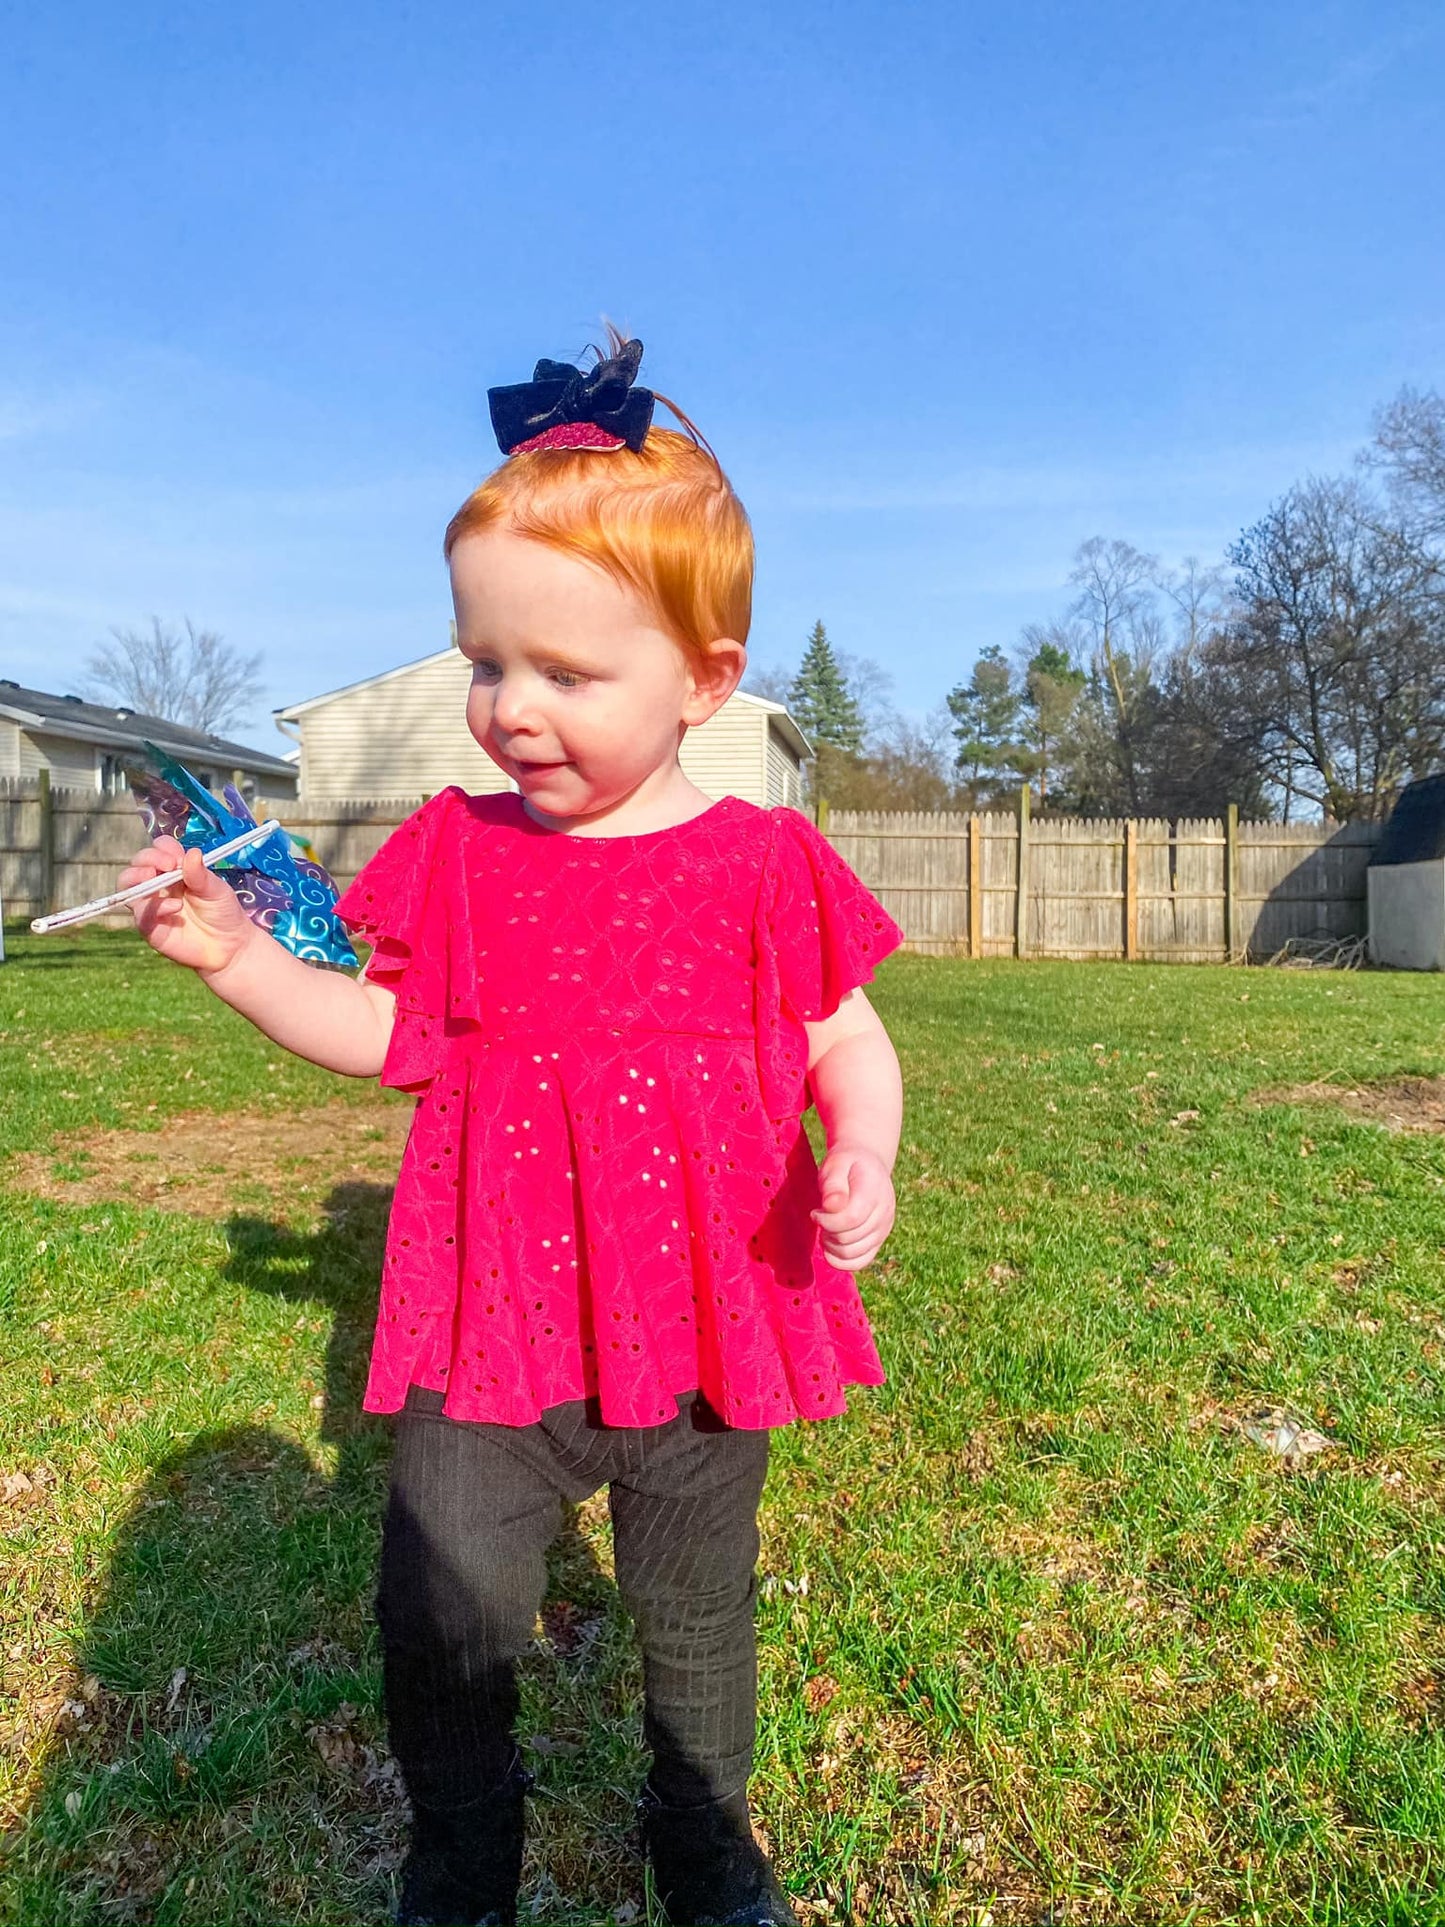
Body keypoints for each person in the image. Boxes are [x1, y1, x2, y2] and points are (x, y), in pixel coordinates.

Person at [118, 334, 904, 1927]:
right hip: (492, 1331)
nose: (511, 709)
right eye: (485, 662)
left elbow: (845, 1036)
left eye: (565, 672)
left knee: (694, 1625)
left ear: (705, 678)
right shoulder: (461, 854)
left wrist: (864, 1148)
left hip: (699, 1327)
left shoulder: (759, 863)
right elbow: (388, 1036)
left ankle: (703, 1845)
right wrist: (247, 962)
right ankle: (461, 1863)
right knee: (446, 1610)